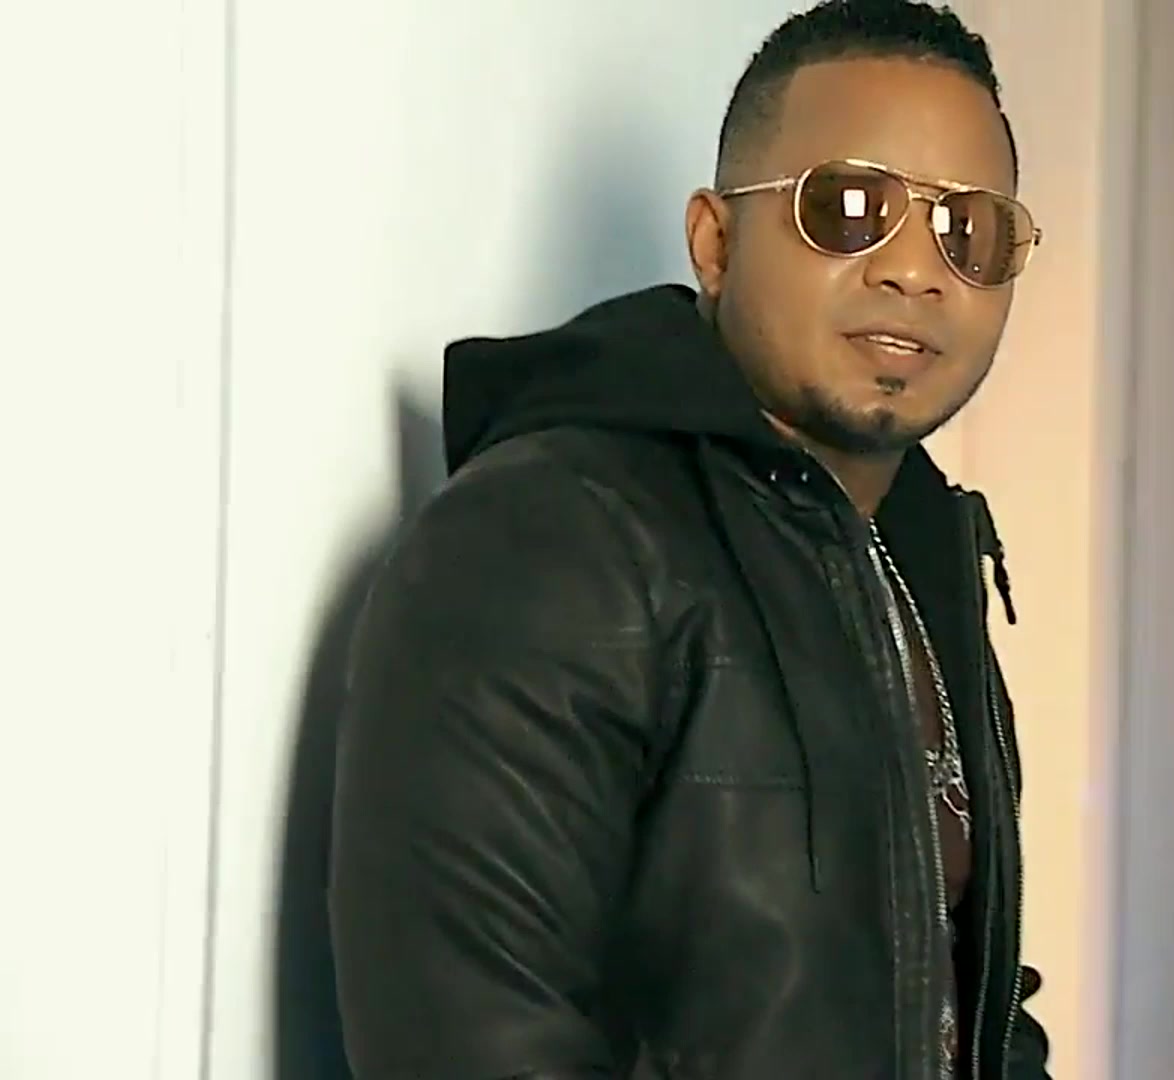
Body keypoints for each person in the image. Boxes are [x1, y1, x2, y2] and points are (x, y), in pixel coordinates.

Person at [326, 1, 1049, 1077]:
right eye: (849, 209)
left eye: (971, 231)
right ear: (716, 241)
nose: (916, 269)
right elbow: (476, 1041)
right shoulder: (550, 541)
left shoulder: (915, 561)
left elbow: (965, 1006)